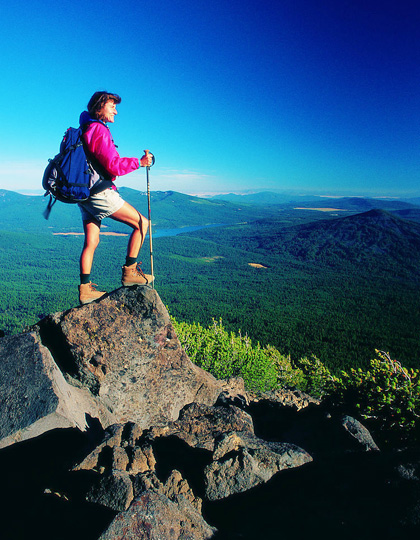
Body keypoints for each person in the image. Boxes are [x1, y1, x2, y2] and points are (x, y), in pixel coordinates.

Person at [77, 91, 154, 305]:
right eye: (112, 106)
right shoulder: (99, 130)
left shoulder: (85, 128)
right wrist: (140, 162)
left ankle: (85, 290)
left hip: (84, 194)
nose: (116, 111)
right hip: (100, 192)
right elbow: (114, 165)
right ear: (100, 107)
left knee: (91, 242)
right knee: (142, 223)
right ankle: (130, 272)